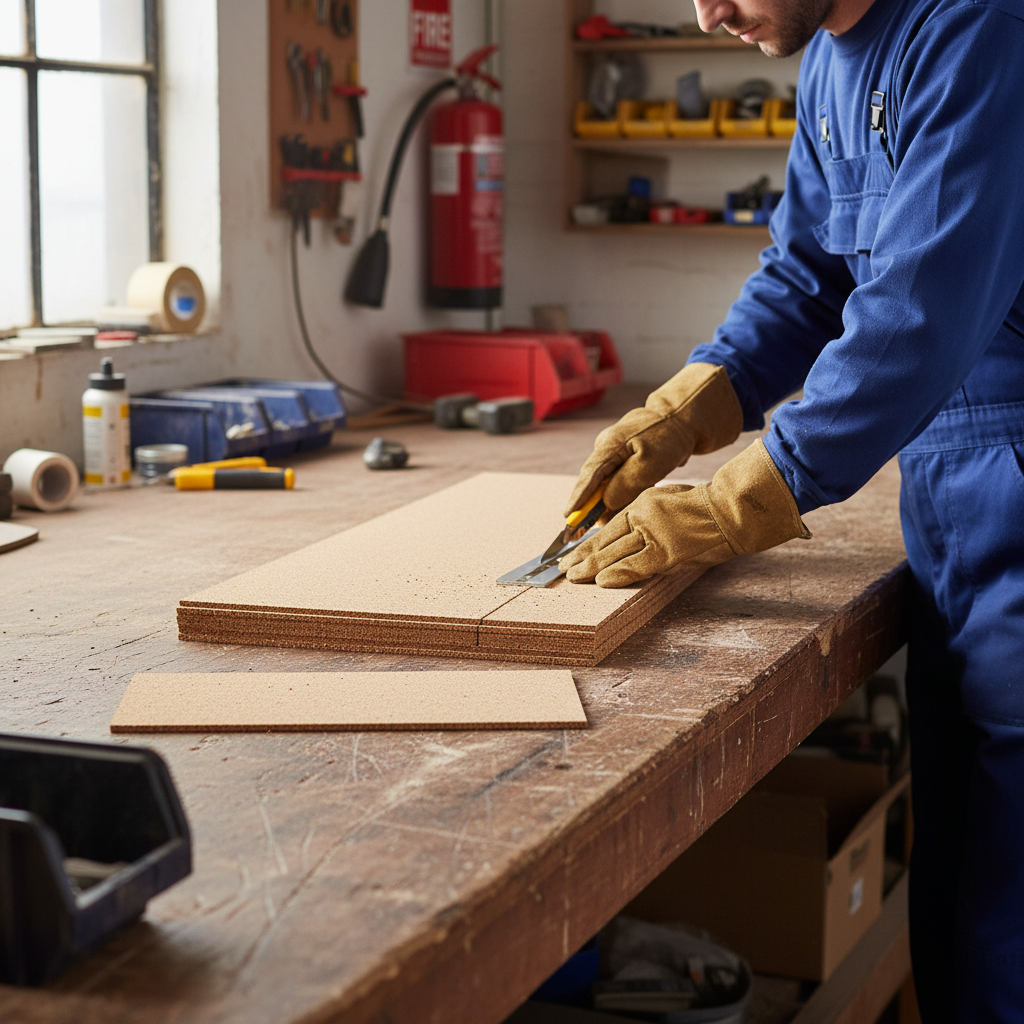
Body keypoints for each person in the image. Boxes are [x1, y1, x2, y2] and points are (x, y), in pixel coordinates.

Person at [559, 0, 1024, 1017]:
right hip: (945, 487)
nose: (706, 11)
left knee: (1014, 883)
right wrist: (689, 404)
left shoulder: (977, 26)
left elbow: (919, 312)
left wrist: (742, 500)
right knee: (957, 849)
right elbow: (808, 279)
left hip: (1015, 471)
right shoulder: (825, 63)